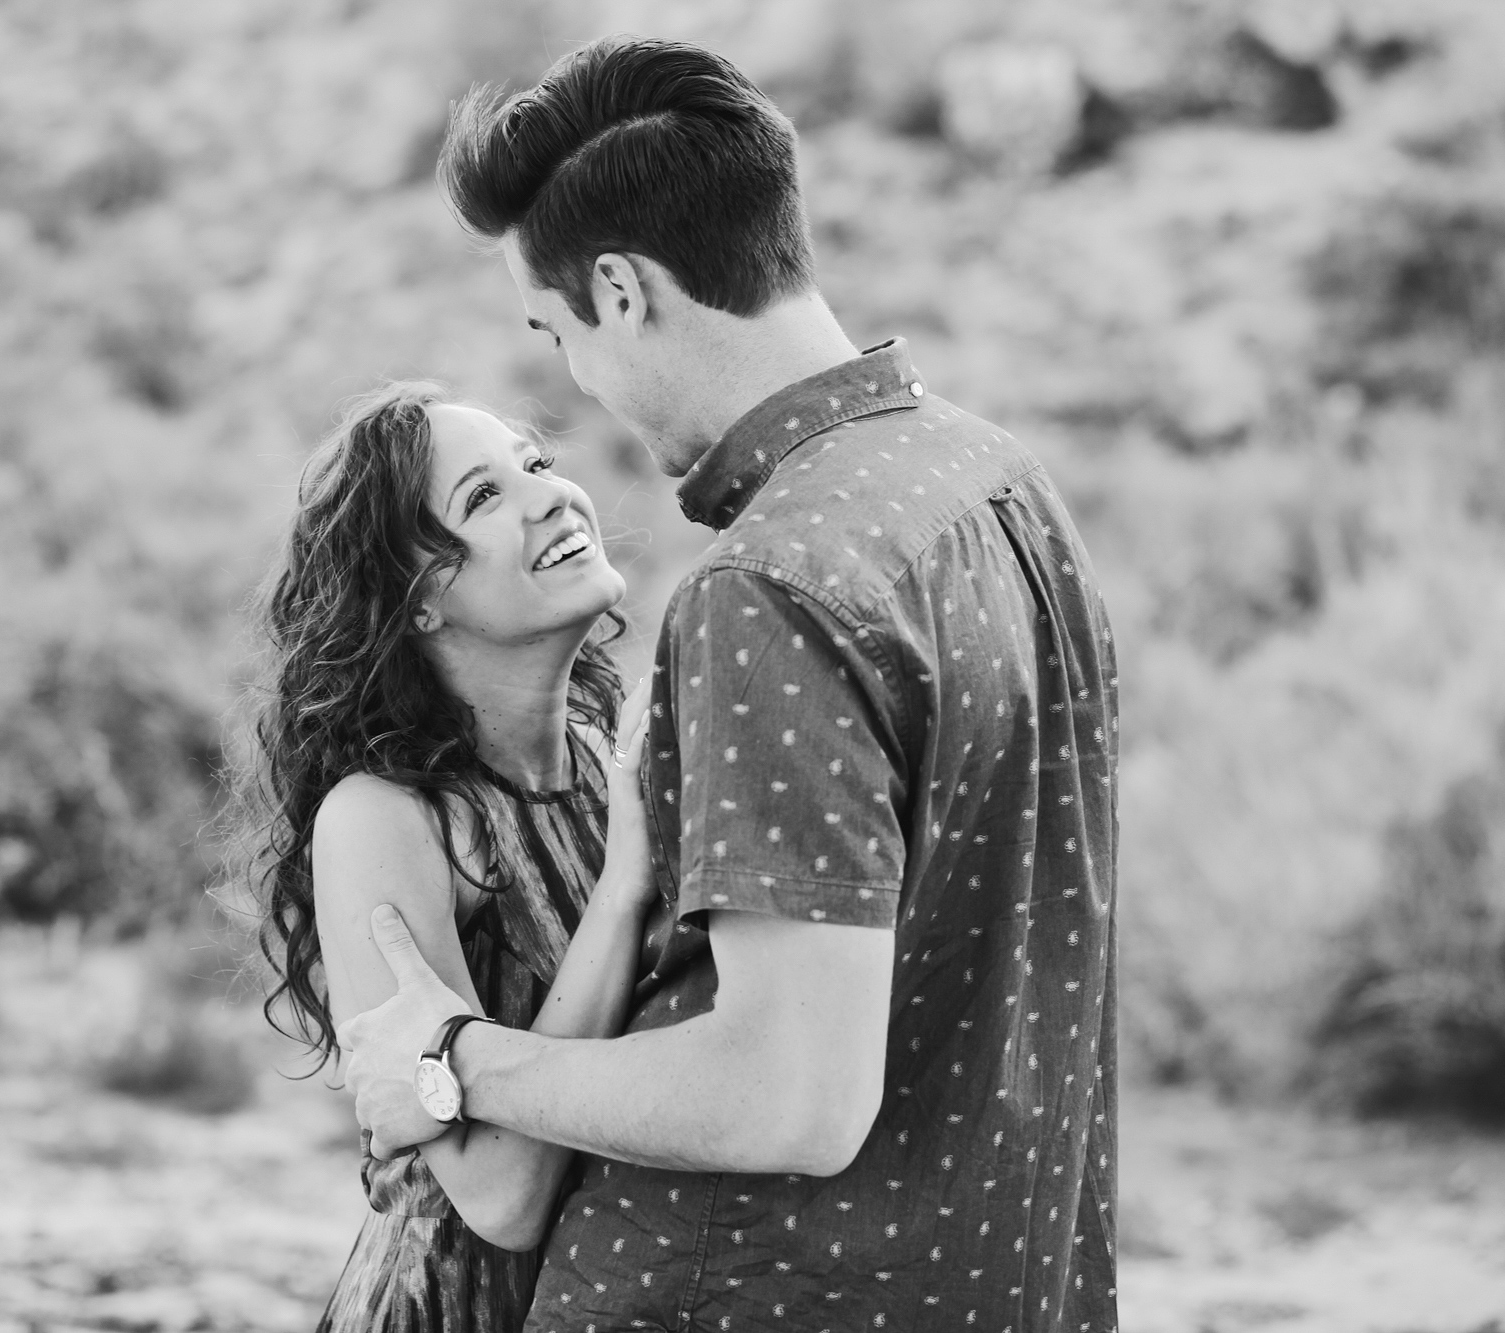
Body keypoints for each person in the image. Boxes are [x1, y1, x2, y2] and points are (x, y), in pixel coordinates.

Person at [338, 36, 1120, 1332]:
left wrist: (458, 1058)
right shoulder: (1001, 483)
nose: (577, 380)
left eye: (558, 332)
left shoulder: (767, 583)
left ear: (624, 292)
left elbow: (789, 1096)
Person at [243, 381, 660, 1330]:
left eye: (537, 464)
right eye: (483, 497)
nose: (551, 495)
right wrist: (626, 886)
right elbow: (500, 1193)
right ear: (420, 599)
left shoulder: (617, 763)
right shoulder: (385, 822)